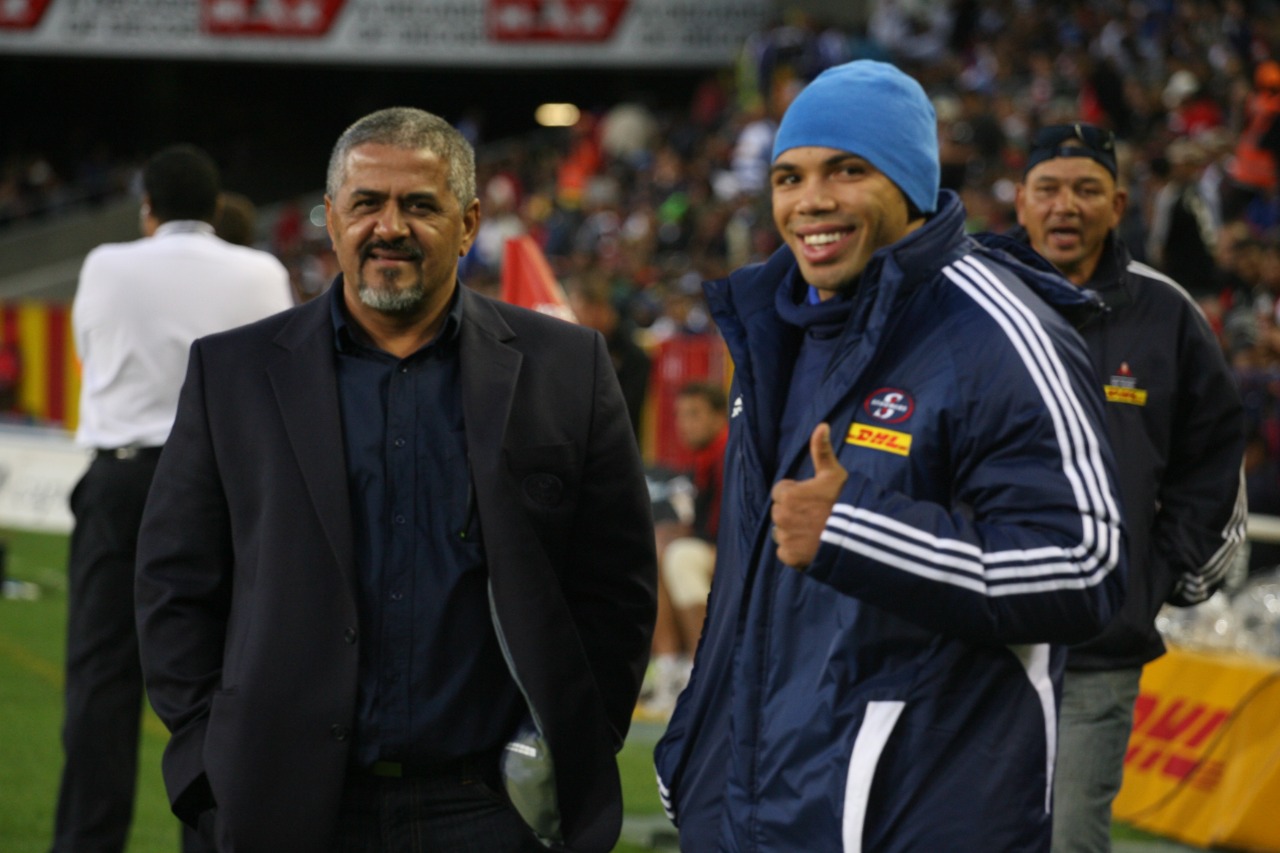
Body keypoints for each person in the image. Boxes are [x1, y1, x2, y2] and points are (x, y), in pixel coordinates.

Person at [134, 107, 656, 853]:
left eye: (419, 205)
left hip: (490, 812)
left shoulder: (568, 369)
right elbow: (174, 582)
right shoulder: (232, 372)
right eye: (366, 204)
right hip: (286, 808)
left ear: (468, 223)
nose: (389, 227)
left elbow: (617, 588)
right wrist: (204, 762)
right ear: (331, 217)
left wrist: (575, 741)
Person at [653, 60, 1126, 852]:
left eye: (848, 170)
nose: (811, 200)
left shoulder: (1000, 332)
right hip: (751, 815)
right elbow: (749, 589)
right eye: (789, 176)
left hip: (917, 817)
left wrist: (854, 530)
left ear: (910, 183)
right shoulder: (772, 331)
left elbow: (1086, 564)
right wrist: (697, 754)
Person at [1010, 122, 1247, 853]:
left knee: (1070, 840)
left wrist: (1153, 578)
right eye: (1048, 189)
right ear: (1021, 202)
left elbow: (1214, 459)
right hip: (978, 638)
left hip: (1098, 647)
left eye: (1086, 190)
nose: (1065, 206)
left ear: (1117, 205)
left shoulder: (1168, 312)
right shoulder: (973, 299)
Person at [53, 144, 293, 853]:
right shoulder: (262, 270)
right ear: (217, 208)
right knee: (220, 680)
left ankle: (86, 841)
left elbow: (91, 351)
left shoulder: (106, 263)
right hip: (224, 486)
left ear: (147, 208)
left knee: (102, 677)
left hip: (124, 478)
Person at [642, 380, 729, 717]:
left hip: (741, 556)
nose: (685, 424)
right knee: (657, 547)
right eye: (680, 415)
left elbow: (732, 527)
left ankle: (701, 671)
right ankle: (669, 667)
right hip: (715, 548)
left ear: (720, 416)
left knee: (681, 557)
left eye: (695, 414)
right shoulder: (702, 458)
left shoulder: (729, 452)